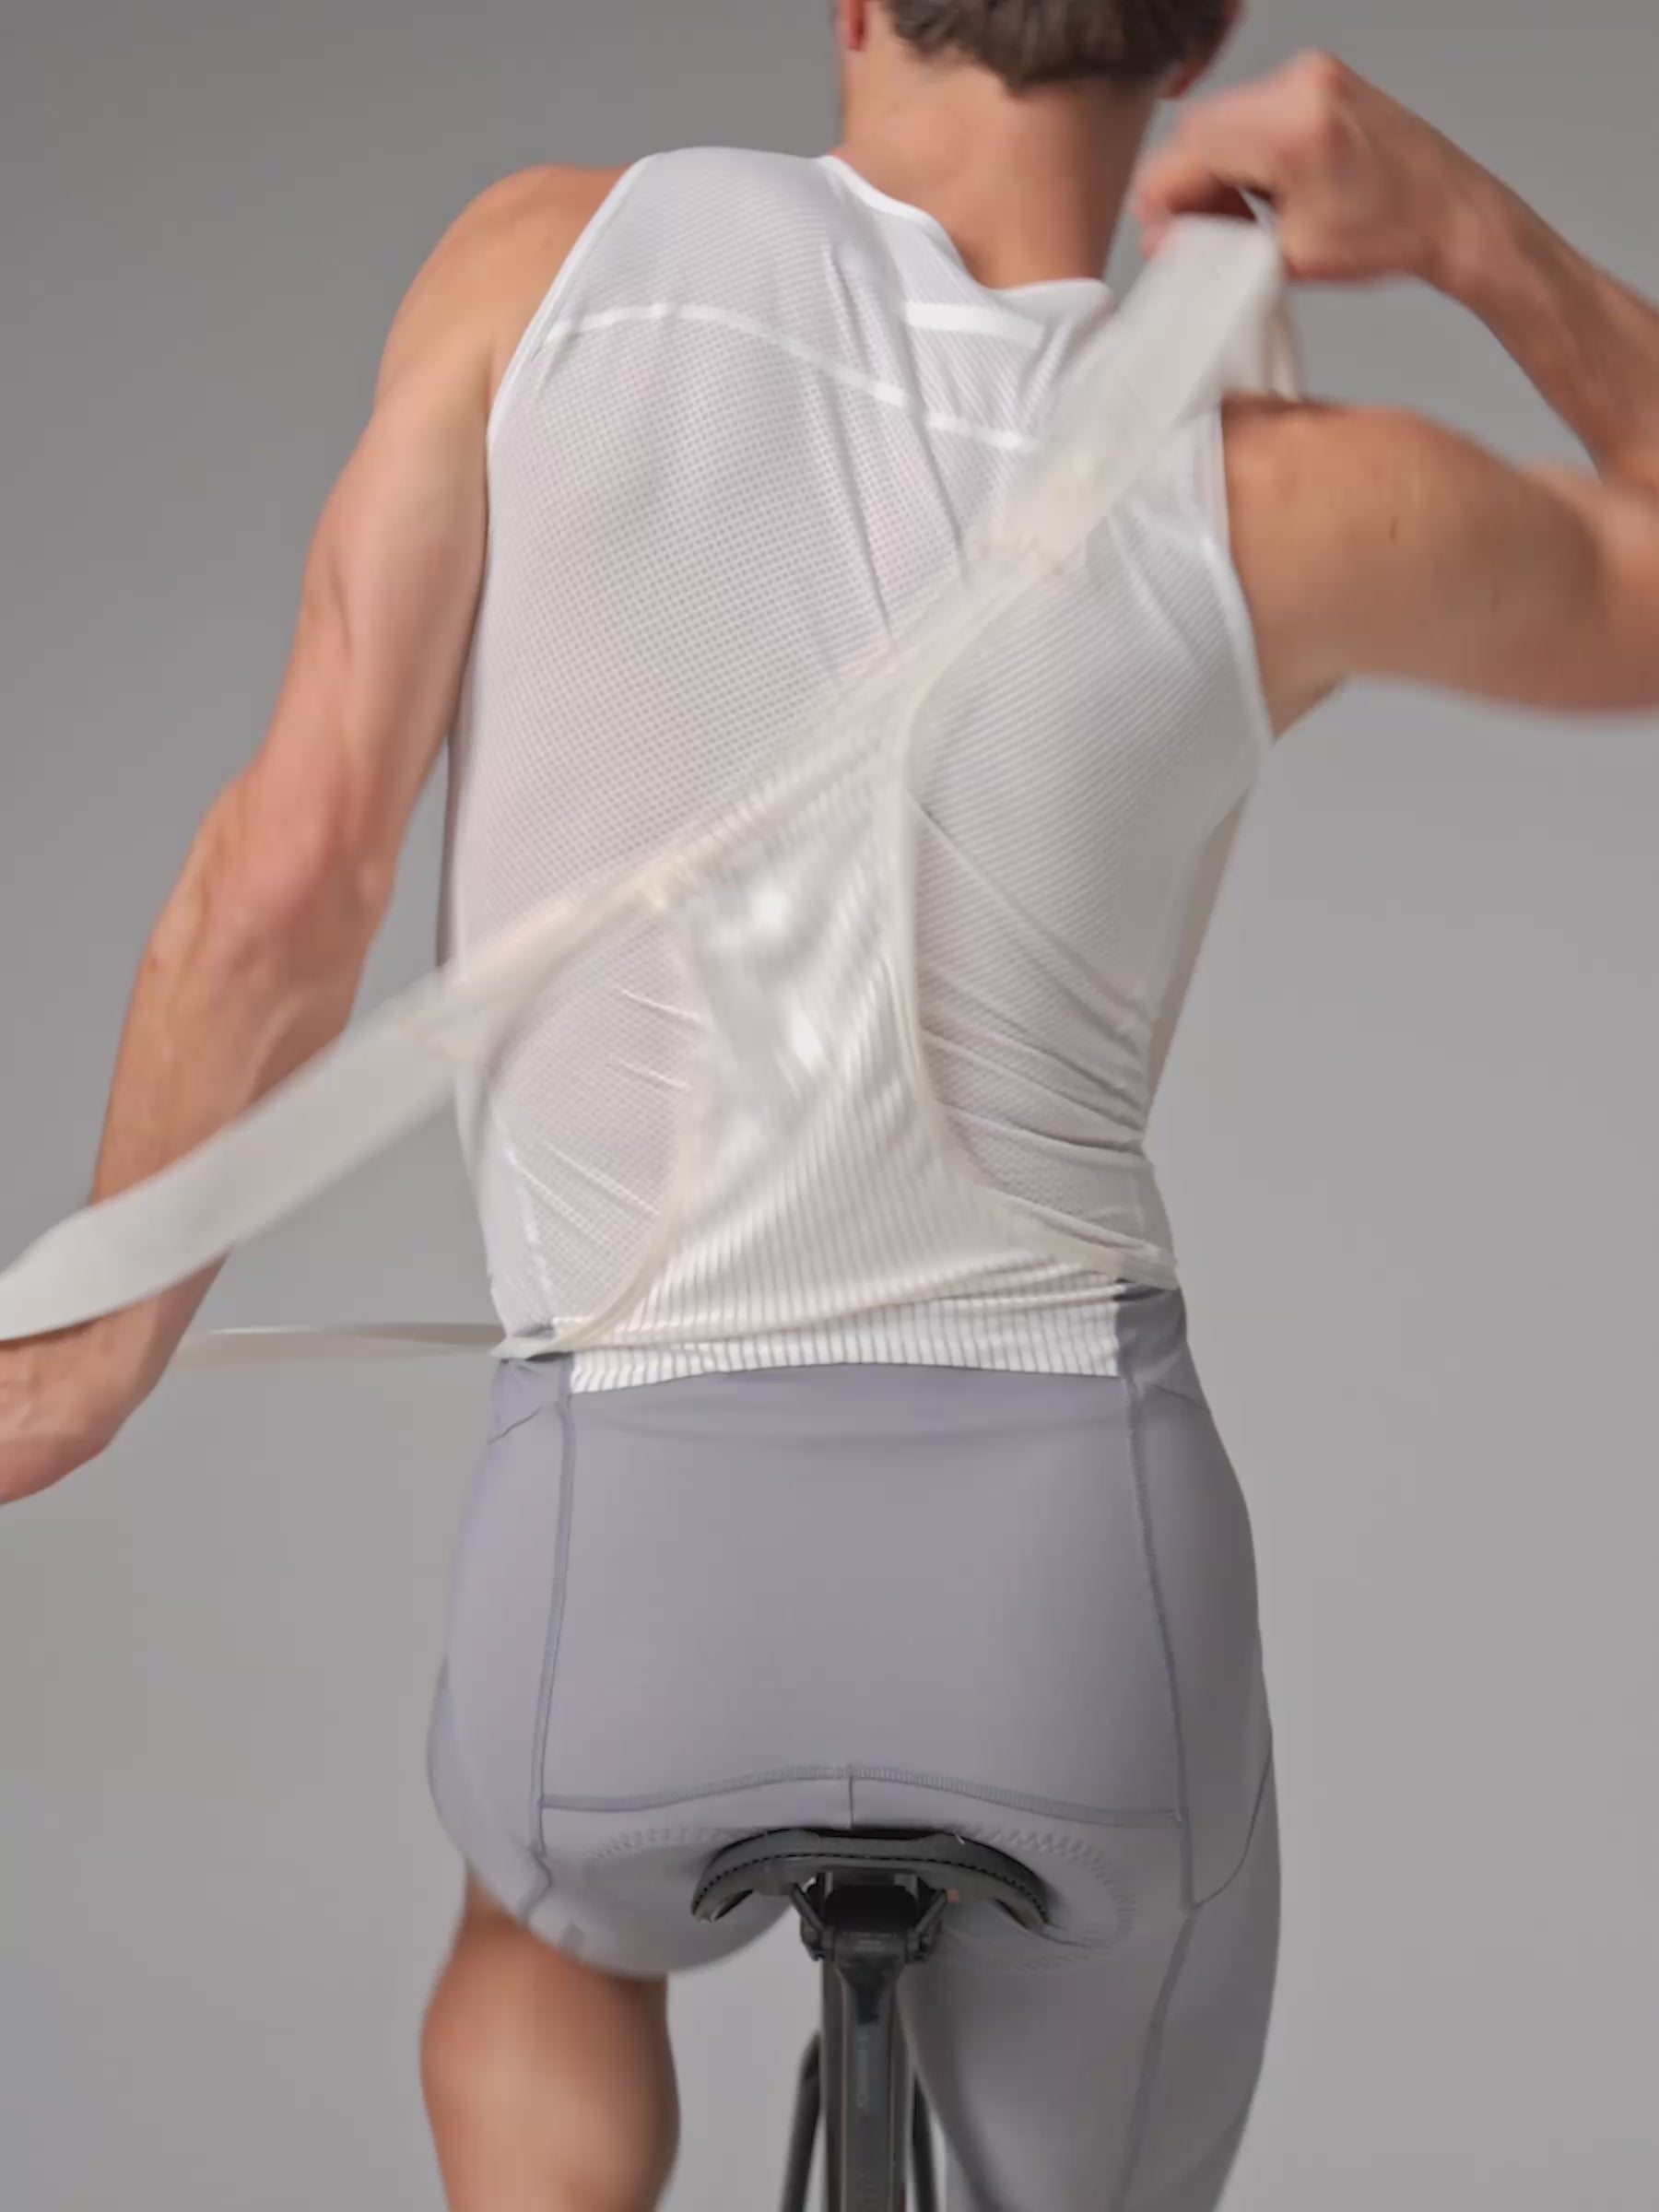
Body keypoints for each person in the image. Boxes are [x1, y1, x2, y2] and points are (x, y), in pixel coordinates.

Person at [4, 3, 1657, 2207]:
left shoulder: (543, 276)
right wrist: (1467, 230)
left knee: (539, 1937)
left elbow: (291, 874)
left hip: (627, 1568)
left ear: (859, 1)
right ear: (1200, 41)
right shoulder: (1280, 490)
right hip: (1074, 1600)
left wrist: (96, 1346)